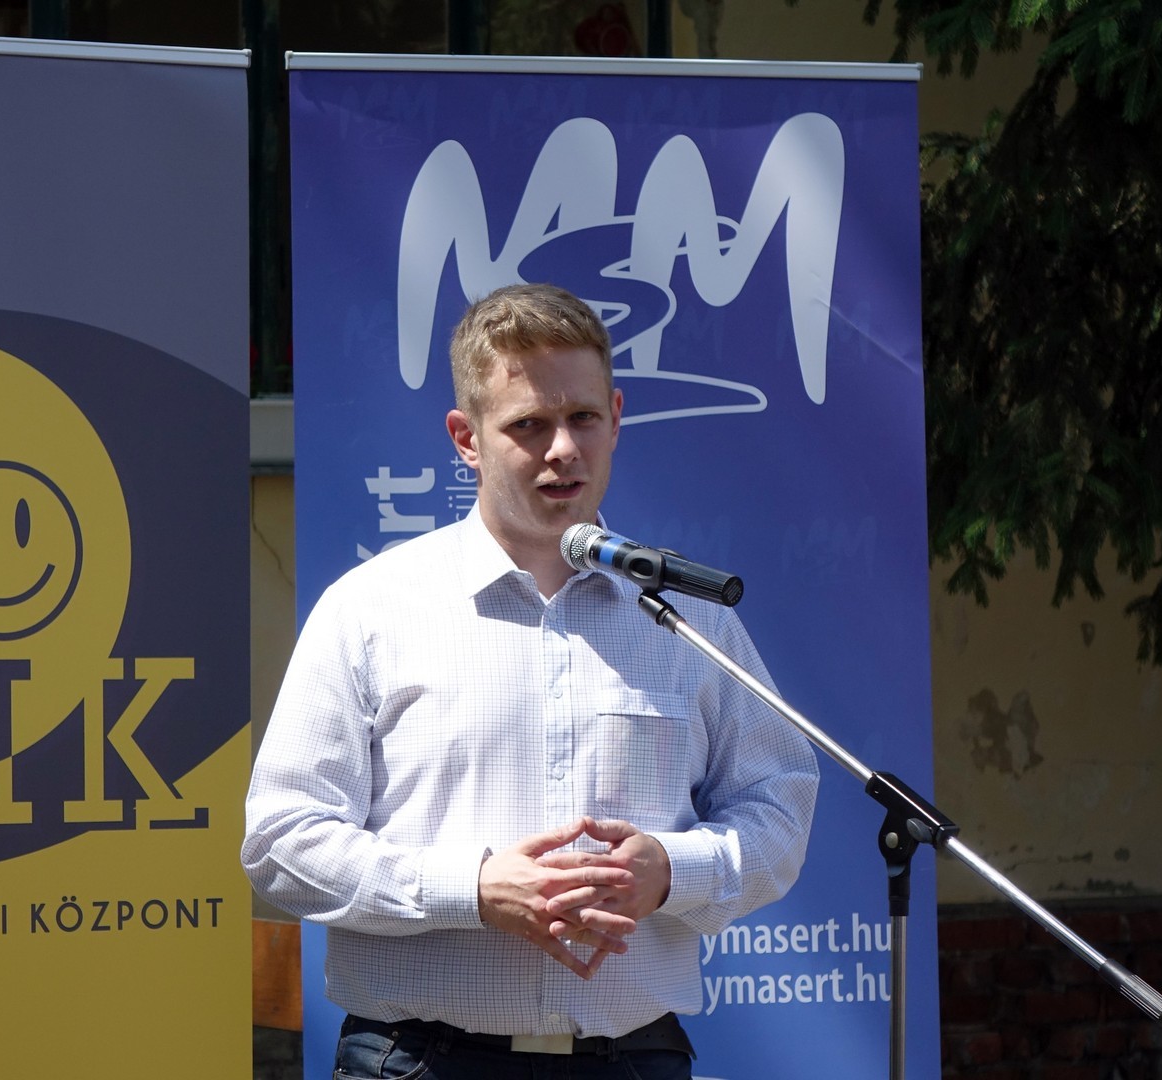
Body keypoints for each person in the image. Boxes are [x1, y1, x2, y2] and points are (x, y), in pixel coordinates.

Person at [242, 283, 820, 1079]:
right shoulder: (371, 609)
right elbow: (281, 840)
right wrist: (473, 888)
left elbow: (779, 806)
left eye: (583, 417)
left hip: (633, 1059)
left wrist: (669, 870)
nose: (563, 449)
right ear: (466, 438)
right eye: (529, 425)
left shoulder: (687, 619)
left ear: (616, 417)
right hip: (419, 1061)